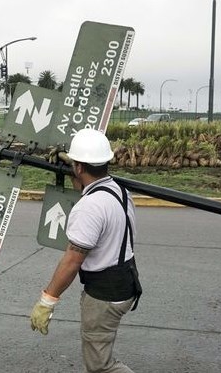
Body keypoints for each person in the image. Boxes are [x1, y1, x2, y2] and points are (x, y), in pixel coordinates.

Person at [31, 128, 141, 373]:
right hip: (126, 280)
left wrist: (47, 301)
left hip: (105, 295)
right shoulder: (120, 191)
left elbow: (72, 261)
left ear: (79, 167)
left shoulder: (89, 207)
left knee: (100, 367)